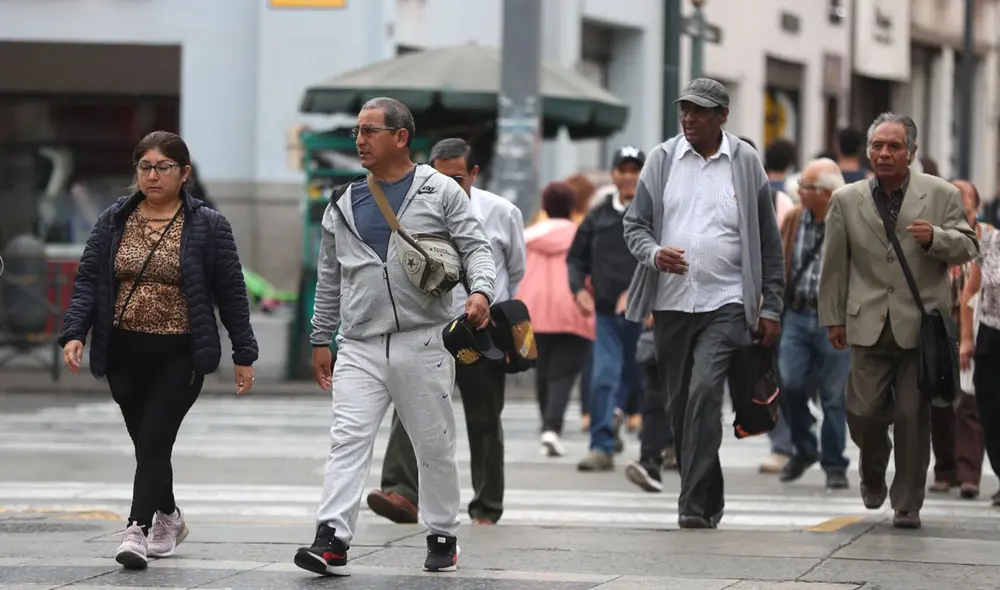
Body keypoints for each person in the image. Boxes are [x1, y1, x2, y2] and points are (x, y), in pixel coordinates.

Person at [298, 98, 496, 576]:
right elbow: (330, 276)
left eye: (370, 131)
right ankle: (332, 539)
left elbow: (475, 246)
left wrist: (482, 292)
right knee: (348, 440)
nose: (360, 140)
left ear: (401, 136)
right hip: (360, 344)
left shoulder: (440, 190)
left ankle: (443, 532)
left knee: (433, 443)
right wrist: (321, 336)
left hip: (424, 339)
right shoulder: (343, 202)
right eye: (357, 132)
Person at [58, 131, 258, 569]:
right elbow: (90, 279)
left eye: (163, 167)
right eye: (145, 167)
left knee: (153, 438)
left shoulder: (208, 224)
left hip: (180, 352)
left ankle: (137, 529)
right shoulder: (114, 220)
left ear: (184, 174)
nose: (152, 175)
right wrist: (76, 332)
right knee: (148, 446)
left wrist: (244, 352)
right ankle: (169, 515)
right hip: (123, 351)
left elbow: (231, 292)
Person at [623, 78, 786, 529]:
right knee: (681, 407)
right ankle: (709, 496)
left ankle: (691, 505)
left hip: (728, 300)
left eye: (699, 111)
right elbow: (634, 225)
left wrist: (770, 305)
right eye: (685, 110)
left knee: (704, 392)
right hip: (672, 303)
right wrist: (655, 254)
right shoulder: (662, 160)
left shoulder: (746, 162)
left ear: (722, 116)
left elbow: (768, 243)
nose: (689, 118)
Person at [819, 112, 978, 529]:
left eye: (893, 146)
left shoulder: (941, 194)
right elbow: (835, 265)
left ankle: (907, 502)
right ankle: (873, 470)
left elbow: (968, 246)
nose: (884, 153)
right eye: (877, 146)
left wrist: (937, 239)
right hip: (866, 321)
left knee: (911, 416)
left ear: (912, 152)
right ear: (868, 151)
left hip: (921, 325)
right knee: (863, 411)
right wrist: (833, 318)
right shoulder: (846, 199)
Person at [366, 138, 525, 525]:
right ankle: (401, 493)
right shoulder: (415, 208)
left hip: (479, 331)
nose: (449, 186)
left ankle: (486, 506)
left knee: (484, 416)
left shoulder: (502, 212)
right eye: (440, 176)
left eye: (457, 177)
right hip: (430, 327)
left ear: (473, 173)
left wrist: (488, 300)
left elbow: (515, 269)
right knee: (410, 407)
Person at [568, 146, 646, 471]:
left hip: (647, 315)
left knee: (649, 381)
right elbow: (576, 258)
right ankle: (601, 444)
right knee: (604, 378)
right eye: (622, 170)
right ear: (613, 174)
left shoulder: (655, 212)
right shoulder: (598, 214)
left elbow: (666, 257)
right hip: (606, 314)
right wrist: (578, 290)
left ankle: (666, 445)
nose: (628, 176)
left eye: (635, 170)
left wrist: (640, 292)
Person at [775, 158, 850, 489]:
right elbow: (778, 263)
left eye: (804, 186)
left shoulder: (848, 222)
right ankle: (804, 448)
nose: (798, 191)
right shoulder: (793, 219)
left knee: (833, 396)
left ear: (824, 193)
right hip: (796, 313)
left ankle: (834, 463)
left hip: (834, 319)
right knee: (789, 384)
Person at [519, 181, 595, 457]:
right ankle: (552, 427)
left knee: (544, 371)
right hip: (573, 308)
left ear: (545, 206)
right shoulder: (582, 236)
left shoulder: (528, 236)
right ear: (573, 207)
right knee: (563, 374)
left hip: (533, 311)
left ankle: (547, 426)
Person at [961, 185, 1000, 507]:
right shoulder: (989, 242)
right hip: (990, 335)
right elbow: (970, 293)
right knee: (989, 411)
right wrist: (967, 340)